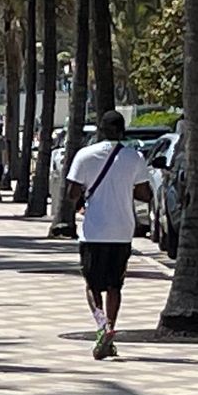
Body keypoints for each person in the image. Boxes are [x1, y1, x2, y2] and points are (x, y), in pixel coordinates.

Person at [64, 109, 151, 361]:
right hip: (122, 231)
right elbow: (145, 194)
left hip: (93, 232)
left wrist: (86, 194)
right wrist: (123, 186)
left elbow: (72, 193)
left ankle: (102, 326)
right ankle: (111, 326)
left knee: (92, 286)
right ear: (123, 132)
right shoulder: (134, 157)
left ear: (100, 130)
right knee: (115, 285)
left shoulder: (85, 155)